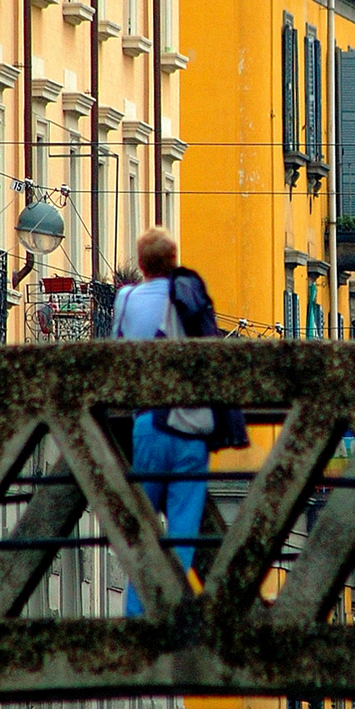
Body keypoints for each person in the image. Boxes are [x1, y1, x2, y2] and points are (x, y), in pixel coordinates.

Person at [112, 227, 247, 616]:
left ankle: (137, 614)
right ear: (174, 261)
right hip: (190, 429)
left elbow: (114, 358)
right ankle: (171, 611)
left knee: (141, 527)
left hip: (147, 427)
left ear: (141, 264)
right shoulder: (188, 297)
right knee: (182, 533)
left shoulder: (125, 300)